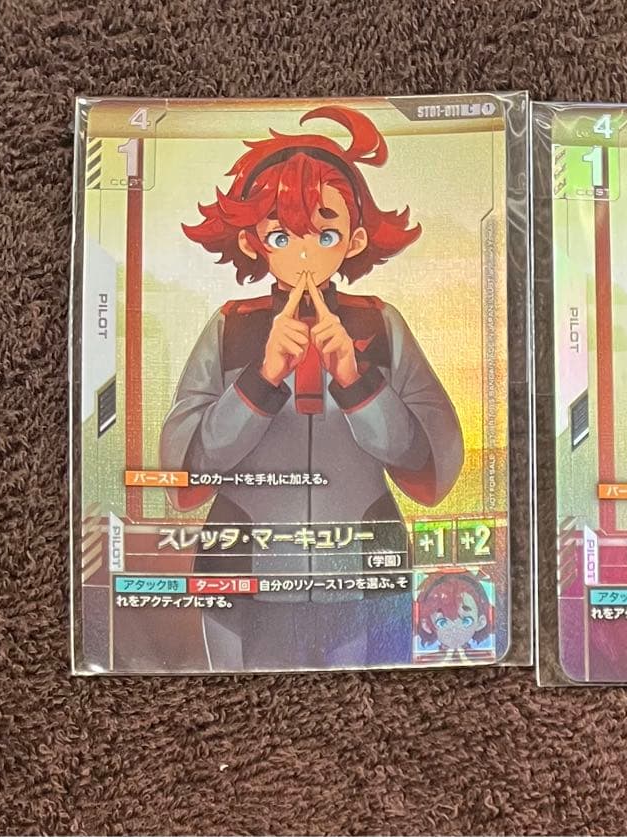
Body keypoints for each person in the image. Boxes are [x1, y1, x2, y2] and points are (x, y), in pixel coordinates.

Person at [160, 106, 464, 669]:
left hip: (362, 571)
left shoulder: (380, 323)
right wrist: (261, 378)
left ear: (354, 238)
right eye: (280, 234)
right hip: (243, 573)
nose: (303, 253)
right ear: (252, 241)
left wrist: (355, 378)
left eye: (324, 233)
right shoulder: (231, 325)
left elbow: (432, 460)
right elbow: (184, 469)